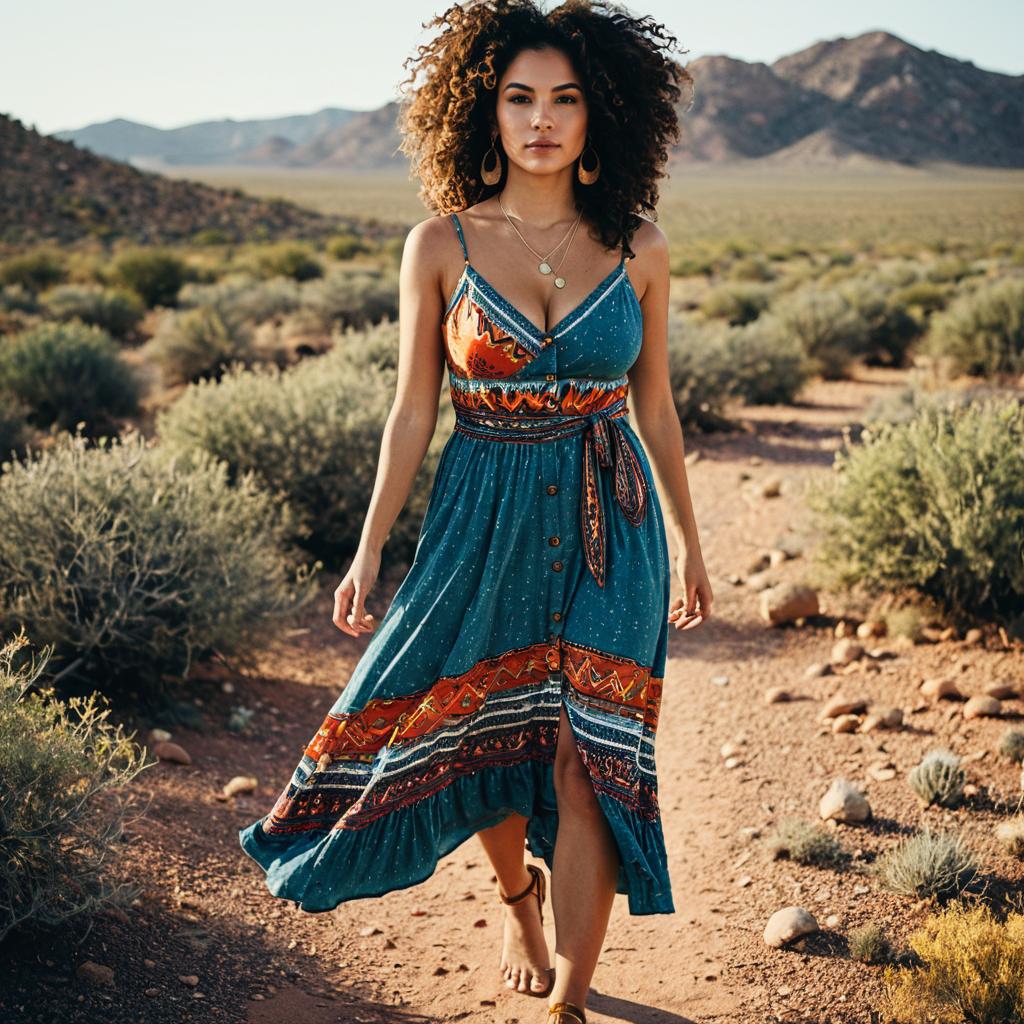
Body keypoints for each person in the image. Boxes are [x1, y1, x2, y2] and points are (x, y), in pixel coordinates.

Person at [239, 3, 710, 1022]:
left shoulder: (640, 246)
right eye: (519, 98)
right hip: (478, 511)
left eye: (565, 99)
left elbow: (658, 403)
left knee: (590, 754)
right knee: (484, 731)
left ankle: (568, 1005)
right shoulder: (438, 245)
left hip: (610, 521)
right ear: (484, 112)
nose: (541, 119)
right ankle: (518, 898)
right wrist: (369, 548)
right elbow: (412, 408)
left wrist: (687, 535)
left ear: (598, 115)